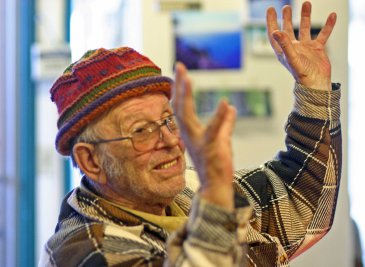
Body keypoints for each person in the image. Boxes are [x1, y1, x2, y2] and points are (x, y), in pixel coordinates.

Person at [39, 2, 342, 266]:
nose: (171, 141)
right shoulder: (84, 251)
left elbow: (300, 201)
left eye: (169, 120)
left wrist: (313, 90)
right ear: (91, 161)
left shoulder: (186, 189)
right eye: (142, 131)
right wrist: (215, 198)